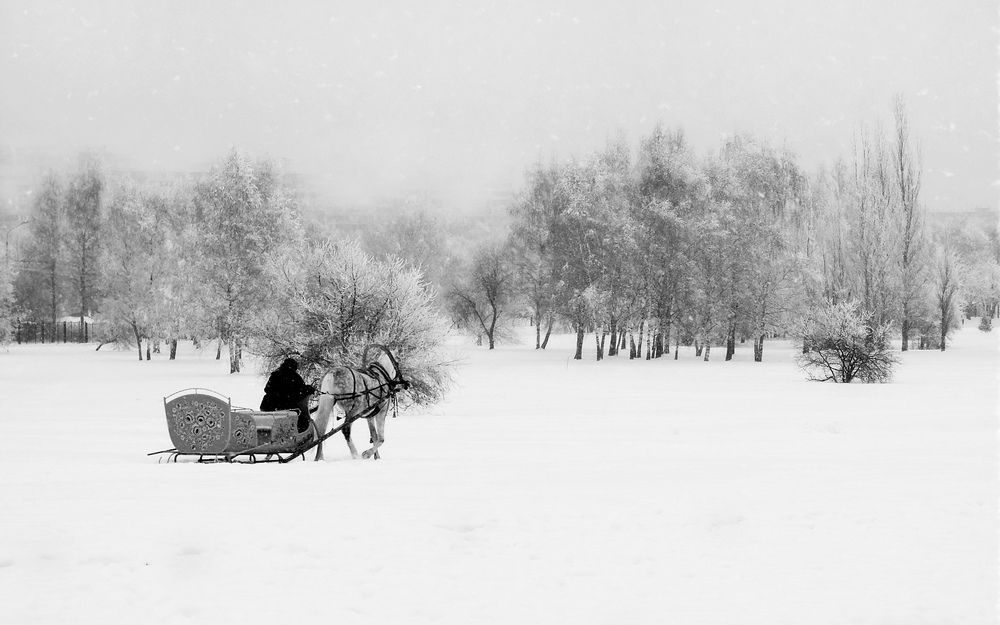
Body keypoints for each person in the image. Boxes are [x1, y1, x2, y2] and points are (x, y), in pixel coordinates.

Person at [260, 357, 316, 433]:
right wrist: (309, 389)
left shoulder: (275, 375)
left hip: (267, 407)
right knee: (303, 421)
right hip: (285, 408)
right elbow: (299, 392)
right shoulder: (295, 377)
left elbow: (267, 389)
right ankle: (300, 437)